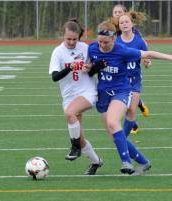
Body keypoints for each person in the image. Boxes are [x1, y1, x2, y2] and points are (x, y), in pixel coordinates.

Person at [86, 20, 172, 174]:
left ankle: (126, 162)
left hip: (122, 91)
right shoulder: (93, 48)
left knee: (113, 122)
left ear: (114, 39)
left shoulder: (122, 51)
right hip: (103, 94)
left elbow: (149, 54)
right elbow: (87, 68)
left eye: (105, 42)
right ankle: (143, 162)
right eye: (99, 41)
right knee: (115, 136)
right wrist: (90, 67)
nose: (101, 45)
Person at [49, 19, 103, 175]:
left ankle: (75, 148)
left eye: (75, 39)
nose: (72, 42)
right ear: (63, 36)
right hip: (69, 97)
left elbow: (96, 68)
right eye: (68, 39)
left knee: (70, 113)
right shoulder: (58, 52)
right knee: (80, 137)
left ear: (79, 37)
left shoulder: (85, 48)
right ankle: (96, 162)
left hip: (87, 92)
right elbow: (55, 77)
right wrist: (69, 67)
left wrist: (90, 67)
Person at [112, 4, 150, 135]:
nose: (117, 15)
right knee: (124, 110)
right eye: (115, 13)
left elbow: (146, 52)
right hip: (120, 79)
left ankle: (124, 137)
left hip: (134, 79)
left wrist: (146, 61)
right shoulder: (114, 37)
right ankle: (129, 126)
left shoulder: (137, 38)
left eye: (120, 12)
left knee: (131, 110)